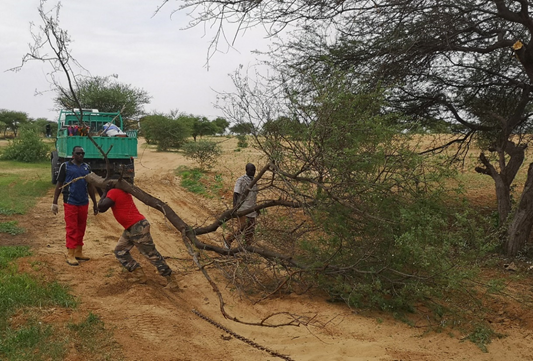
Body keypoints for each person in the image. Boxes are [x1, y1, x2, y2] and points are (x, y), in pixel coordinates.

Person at [97, 183, 180, 289]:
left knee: (151, 254)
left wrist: (104, 191)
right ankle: (140, 275)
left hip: (137, 227)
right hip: (132, 227)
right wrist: (104, 192)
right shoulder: (120, 192)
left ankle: (171, 279)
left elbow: (101, 207)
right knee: (120, 251)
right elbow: (103, 207)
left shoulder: (114, 192)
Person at [52, 146, 98, 266]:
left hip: (83, 202)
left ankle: (78, 252)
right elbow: (59, 184)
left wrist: (95, 203)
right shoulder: (66, 166)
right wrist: (54, 202)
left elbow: (90, 186)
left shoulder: (86, 168)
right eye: (78, 153)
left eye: (82, 153)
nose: (81, 155)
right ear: (73, 155)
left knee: (81, 227)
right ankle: (70, 254)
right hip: (70, 202)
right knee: (72, 228)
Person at [223, 163, 258, 249]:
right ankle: (228, 240)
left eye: (254, 170)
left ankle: (247, 248)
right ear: (246, 170)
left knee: (250, 230)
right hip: (243, 209)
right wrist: (235, 208)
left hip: (252, 209)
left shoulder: (255, 181)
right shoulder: (241, 180)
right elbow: (236, 194)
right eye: (251, 170)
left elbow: (254, 196)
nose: (253, 172)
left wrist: (257, 209)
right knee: (241, 228)